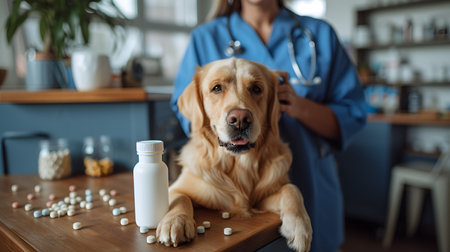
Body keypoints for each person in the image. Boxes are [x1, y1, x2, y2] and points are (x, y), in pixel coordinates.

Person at [170, 0, 367, 251]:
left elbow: (353, 113)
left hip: (312, 184)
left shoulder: (320, 35)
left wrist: (298, 106)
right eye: (218, 88)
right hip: (223, 196)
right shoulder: (205, 37)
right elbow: (189, 113)